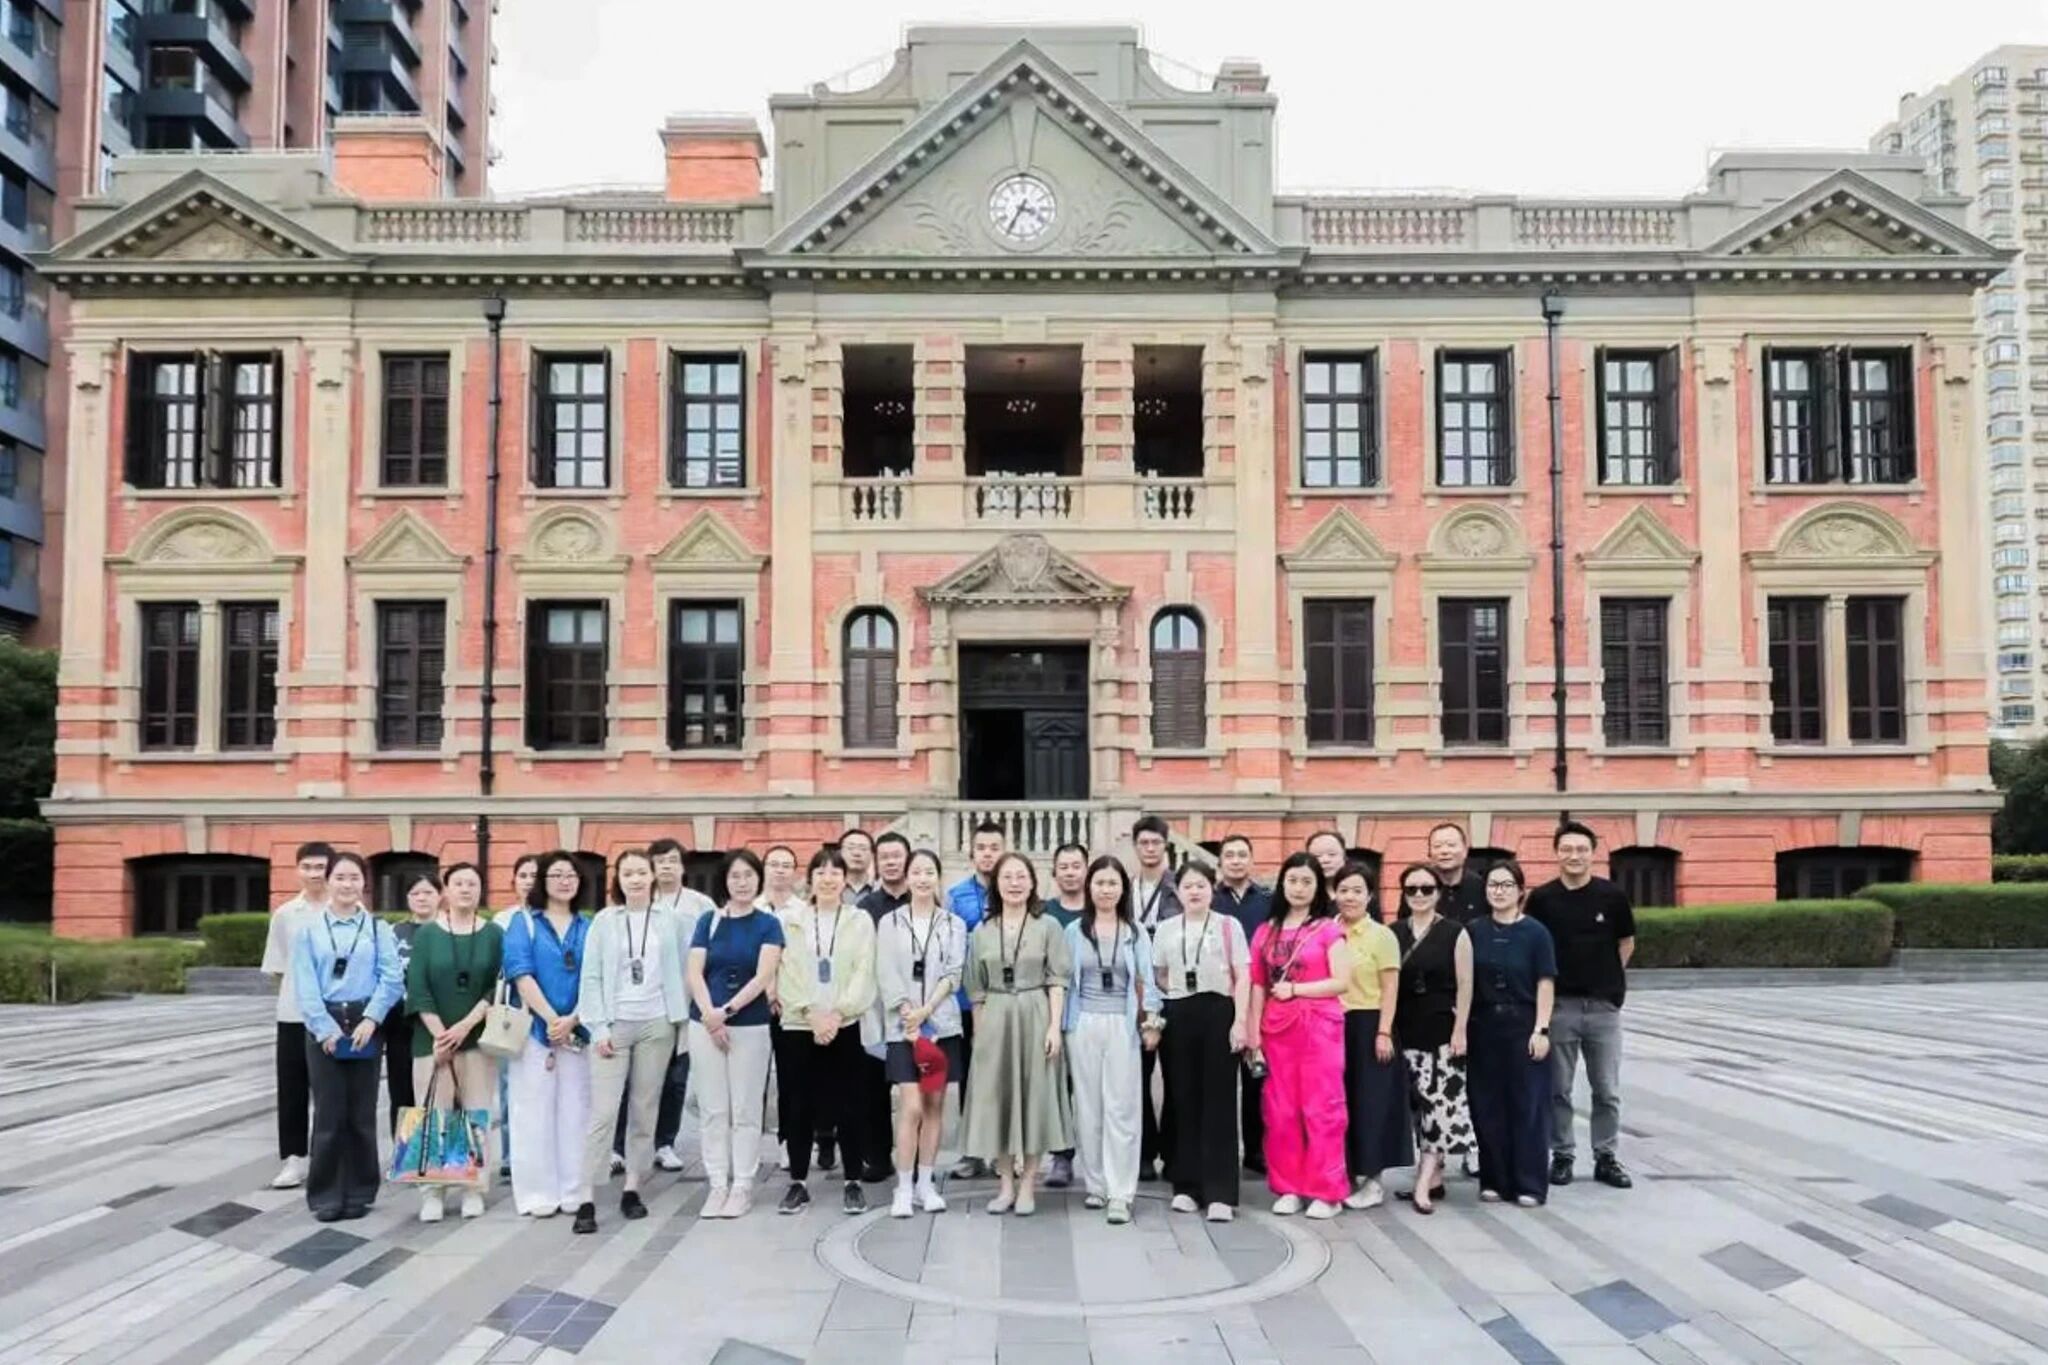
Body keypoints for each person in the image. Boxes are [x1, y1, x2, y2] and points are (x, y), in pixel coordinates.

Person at [572, 849, 691, 1235]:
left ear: (652, 877)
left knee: (644, 1110)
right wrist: (597, 1028)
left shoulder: (670, 920)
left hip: (657, 1024)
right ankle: (587, 1197)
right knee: (603, 1113)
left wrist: (680, 1022)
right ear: (618, 879)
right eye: (628, 873)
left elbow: (683, 971)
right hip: (614, 1023)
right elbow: (590, 976)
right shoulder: (605, 921)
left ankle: (632, 1188)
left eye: (642, 872)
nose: (636, 879)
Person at [290, 851, 404, 1222]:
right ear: (328, 881)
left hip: (364, 1023)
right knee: (328, 1113)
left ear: (364, 883)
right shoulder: (309, 930)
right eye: (340, 877)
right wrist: (323, 1027)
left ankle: (360, 1190)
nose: (347, 884)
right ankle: (325, 1194)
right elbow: (305, 983)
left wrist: (372, 1019)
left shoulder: (377, 929)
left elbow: (392, 978)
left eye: (354, 877)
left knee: (361, 1113)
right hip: (324, 1022)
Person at [1526, 821, 1636, 1191]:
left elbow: (1626, 943)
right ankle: (1563, 1155)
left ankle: (1606, 1156)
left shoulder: (1612, 896)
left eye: (1582, 849)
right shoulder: (1542, 899)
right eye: (1567, 849)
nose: (1574, 856)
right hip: (1561, 1006)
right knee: (1558, 1088)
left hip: (1603, 1008)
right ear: (1556, 854)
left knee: (1606, 1089)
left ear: (1593, 854)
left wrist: (1609, 981)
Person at [962, 852, 1072, 1215]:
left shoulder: (1048, 926)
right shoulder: (982, 931)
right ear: (996, 884)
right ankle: (1006, 1185)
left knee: (1035, 1098)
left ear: (1032, 882)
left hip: (1035, 1012)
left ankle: (1028, 1186)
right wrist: (980, 1035)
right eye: (1007, 877)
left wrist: (1054, 1026)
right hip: (996, 1016)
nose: (1014, 883)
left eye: (1021, 876)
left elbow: (1057, 980)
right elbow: (976, 990)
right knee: (1000, 1101)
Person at [773, 848, 880, 1216]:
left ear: (845, 879)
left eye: (836, 872)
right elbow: (785, 970)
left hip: (844, 1024)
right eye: (821, 872)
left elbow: (865, 970)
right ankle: (798, 1182)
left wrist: (837, 1013)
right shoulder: (791, 919)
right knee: (799, 1105)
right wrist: (810, 1012)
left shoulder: (859, 920)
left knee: (850, 1104)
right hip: (799, 1024)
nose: (828, 878)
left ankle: (852, 1181)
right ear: (810, 879)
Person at [1248, 852, 1353, 1220]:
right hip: (1277, 1030)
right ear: (1282, 884)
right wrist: (1253, 1033)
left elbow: (1342, 981)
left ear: (1318, 887)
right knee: (1281, 1111)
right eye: (1292, 880)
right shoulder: (1265, 931)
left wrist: (1297, 990)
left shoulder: (1327, 929)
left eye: (1307, 881)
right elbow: (1257, 985)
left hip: (1319, 1028)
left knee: (1322, 1109)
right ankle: (1288, 1186)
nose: (1298, 888)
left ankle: (1328, 1191)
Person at [1060, 855, 1161, 1226]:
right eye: (1099, 883)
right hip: (1082, 1023)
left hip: (1122, 1023)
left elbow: (1147, 980)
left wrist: (1151, 1021)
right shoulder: (1074, 931)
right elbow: (1063, 981)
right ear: (1089, 888)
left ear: (1123, 889)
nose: (1106, 890)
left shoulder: (1135, 932)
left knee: (1121, 1107)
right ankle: (1096, 1184)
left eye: (1112, 883)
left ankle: (1121, 1191)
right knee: (1088, 1107)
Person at [687, 850, 785, 1219]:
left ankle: (742, 1184)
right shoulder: (708, 921)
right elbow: (694, 972)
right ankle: (717, 1184)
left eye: (748, 875)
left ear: (758, 879)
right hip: (704, 1025)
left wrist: (726, 1012)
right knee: (713, 1109)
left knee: (745, 1109)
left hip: (750, 1024)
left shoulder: (768, 924)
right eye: (734, 876)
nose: (741, 883)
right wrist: (710, 1016)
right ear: (724, 881)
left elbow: (762, 977)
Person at [404, 862, 504, 1223]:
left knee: (475, 1113)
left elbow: (497, 986)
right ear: (446, 889)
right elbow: (417, 988)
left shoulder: (493, 934)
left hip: (477, 1038)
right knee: (433, 1113)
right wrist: (441, 1035)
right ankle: (432, 1191)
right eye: (458, 883)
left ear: (481, 890)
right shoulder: (428, 935)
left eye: (472, 884)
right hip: (431, 1041)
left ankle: (472, 1188)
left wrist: (465, 1026)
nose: (465, 889)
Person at [1154, 861, 1251, 1222]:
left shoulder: (1229, 926)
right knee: (1183, 1099)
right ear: (1177, 891)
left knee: (1220, 1101)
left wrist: (1240, 1021)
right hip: (1180, 1013)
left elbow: (1243, 975)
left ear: (1213, 889)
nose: (1194, 892)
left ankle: (1220, 1192)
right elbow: (1160, 974)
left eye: (1201, 885)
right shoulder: (1165, 929)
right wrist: (1179, 993)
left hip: (1219, 1011)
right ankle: (1187, 1186)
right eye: (1188, 886)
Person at [876, 848, 966, 1217]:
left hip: (941, 1025)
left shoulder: (953, 924)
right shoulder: (890, 922)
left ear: (938, 877)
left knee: (934, 1106)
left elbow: (954, 973)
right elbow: (885, 969)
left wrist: (927, 1010)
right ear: (907, 877)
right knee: (910, 1106)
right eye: (917, 872)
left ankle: (926, 1184)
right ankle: (903, 1186)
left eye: (930, 872)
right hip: (902, 1028)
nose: (923, 878)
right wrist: (906, 1011)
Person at [502, 852, 592, 1218]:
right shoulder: (523, 923)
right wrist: (554, 1020)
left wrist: (572, 1019)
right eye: (556, 875)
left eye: (571, 875)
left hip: (579, 1032)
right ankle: (537, 1192)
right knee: (532, 1112)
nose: (564, 881)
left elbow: (597, 976)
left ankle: (574, 1188)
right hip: (535, 1031)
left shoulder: (589, 926)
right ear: (543, 881)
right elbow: (520, 973)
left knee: (576, 1112)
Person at [618, 837, 714, 1176]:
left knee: (675, 1078)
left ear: (683, 866)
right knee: (630, 1078)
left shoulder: (700, 905)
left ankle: (665, 1142)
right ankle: (619, 1147)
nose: (667, 867)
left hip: (685, 1002)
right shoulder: (639, 901)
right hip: (641, 1002)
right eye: (660, 861)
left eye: (673, 860)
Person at [1467, 859, 1557, 1208]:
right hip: (1483, 1026)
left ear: (1521, 891)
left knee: (1528, 1105)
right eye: (1493, 885)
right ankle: (1494, 1179)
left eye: (1506, 885)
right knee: (1487, 1105)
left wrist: (1542, 1029)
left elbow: (1545, 981)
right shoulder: (1474, 931)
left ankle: (1529, 1183)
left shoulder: (1536, 933)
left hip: (1524, 1024)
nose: (1499, 891)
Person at [1391, 862, 1474, 1215]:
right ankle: (1434, 1175)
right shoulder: (1394, 932)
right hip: (1405, 1027)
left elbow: (1466, 984)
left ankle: (1423, 1184)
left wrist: (1460, 1030)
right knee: (1416, 1108)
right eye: (1412, 889)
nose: (1419, 895)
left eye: (1426, 888)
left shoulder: (1455, 932)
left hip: (1441, 1029)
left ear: (1439, 893)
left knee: (1438, 1108)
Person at [1333, 861, 1411, 1210]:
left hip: (1369, 1023)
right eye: (1343, 890)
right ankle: (1343, 1175)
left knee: (1371, 1103)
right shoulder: (1326, 931)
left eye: (1357, 891)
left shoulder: (1382, 935)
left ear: (1369, 896)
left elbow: (1390, 987)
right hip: (1332, 1024)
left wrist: (1383, 1031)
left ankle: (1374, 1181)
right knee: (1340, 1102)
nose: (1349, 897)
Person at [261, 840, 333, 1190]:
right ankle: (293, 1159)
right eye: (307, 867)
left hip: (334, 1017)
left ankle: (327, 1157)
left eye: (320, 867)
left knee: (330, 1091)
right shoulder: (286, 914)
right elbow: (278, 968)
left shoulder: (347, 910)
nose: (314, 874)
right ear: (297, 870)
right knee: (292, 1089)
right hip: (293, 1014)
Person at [855, 831, 914, 1185]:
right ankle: (877, 1156)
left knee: (914, 1086)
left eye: (897, 856)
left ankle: (915, 1156)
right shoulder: (865, 908)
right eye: (885, 857)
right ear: (877, 863)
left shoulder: (922, 900)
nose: (891, 862)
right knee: (872, 1086)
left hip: (915, 1005)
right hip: (875, 1007)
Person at [946, 821, 1004, 1179]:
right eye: (981, 848)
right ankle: (971, 1152)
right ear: (972, 853)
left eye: (994, 847)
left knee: (1003, 1075)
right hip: (967, 1002)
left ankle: (1001, 1151)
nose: (988, 854)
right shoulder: (956, 896)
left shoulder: (1015, 889)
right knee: (969, 1076)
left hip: (1005, 1000)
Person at [1214, 834, 1272, 1175]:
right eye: (1229, 855)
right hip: (1222, 995)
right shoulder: (1211, 899)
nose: (1236, 861)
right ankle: (1222, 1150)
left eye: (1242, 855)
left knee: (1256, 1079)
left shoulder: (1267, 901)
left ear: (1251, 860)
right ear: (1220, 862)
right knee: (1222, 1078)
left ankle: (1255, 1150)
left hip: (1259, 996)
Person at [1130, 815, 1179, 1181]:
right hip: (1136, 992)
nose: (1150, 849)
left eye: (1155, 843)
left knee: (1176, 1076)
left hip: (1174, 991)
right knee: (1138, 1077)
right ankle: (1145, 1152)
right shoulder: (1126, 888)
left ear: (1166, 846)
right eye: (1144, 843)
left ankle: (1175, 1152)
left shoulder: (1180, 888)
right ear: (1136, 847)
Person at [1038, 840, 1089, 1188]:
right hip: (1052, 1010)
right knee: (1058, 1086)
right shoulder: (1044, 913)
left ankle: (1100, 1157)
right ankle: (1061, 1156)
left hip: (1093, 1009)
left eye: (1076, 866)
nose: (1070, 872)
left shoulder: (1100, 909)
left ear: (1086, 869)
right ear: (1054, 873)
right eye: (1064, 867)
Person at [491, 854, 540, 1179]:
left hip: (547, 1010)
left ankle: (540, 1152)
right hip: (511, 1010)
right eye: (523, 875)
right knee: (509, 1085)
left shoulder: (551, 916)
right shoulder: (502, 920)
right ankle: (510, 1155)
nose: (528, 881)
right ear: (513, 881)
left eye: (534, 875)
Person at [386, 872, 439, 1134]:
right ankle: (407, 1151)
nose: (422, 898)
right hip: (402, 1022)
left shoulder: (450, 929)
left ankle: (443, 1152)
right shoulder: (394, 932)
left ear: (440, 895)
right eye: (415, 893)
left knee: (443, 1089)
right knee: (403, 1090)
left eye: (428, 892)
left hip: (442, 1020)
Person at [1428, 823, 1489, 925]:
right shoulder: (1419, 888)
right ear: (1429, 853)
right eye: (1437, 846)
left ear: (1465, 851)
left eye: (1451, 845)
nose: (1444, 851)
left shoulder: (1481, 887)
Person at [838, 827, 878, 900]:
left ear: (872, 855)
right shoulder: (829, 889)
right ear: (840, 853)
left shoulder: (881, 889)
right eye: (850, 848)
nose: (856, 853)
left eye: (863, 849)